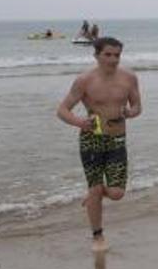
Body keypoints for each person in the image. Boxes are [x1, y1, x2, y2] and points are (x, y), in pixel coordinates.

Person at [55, 37, 142, 252]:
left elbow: (138, 105)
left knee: (116, 193)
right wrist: (79, 123)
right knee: (95, 190)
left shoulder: (129, 78)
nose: (113, 59)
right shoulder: (85, 80)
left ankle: (95, 192)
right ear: (96, 55)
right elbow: (62, 110)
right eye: (108, 55)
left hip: (118, 138)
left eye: (117, 55)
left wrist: (131, 112)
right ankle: (97, 236)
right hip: (92, 139)